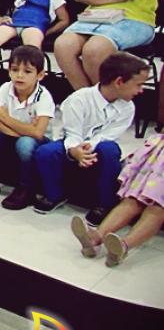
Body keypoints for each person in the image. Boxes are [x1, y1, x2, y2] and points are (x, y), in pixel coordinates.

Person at [34, 52, 148, 226]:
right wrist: (75, 151)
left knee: (110, 149)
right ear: (119, 82)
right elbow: (72, 132)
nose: (141, 90)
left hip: (97, 148)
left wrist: (87, 149)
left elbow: (108, 135)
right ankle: (55, 195)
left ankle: (105, 204)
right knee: (46, 152)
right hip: (71, 143)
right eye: (138, 85)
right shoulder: (79, 99)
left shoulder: (128, 107)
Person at [0, 45, 55, 209]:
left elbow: (38, 133)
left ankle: (27, 188)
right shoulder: (6, 87)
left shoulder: (44, 96)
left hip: (36, 142)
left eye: (27, 71)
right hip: (13, 135)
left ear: (40, 75)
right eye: (15, 69)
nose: (19, 75)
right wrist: (19, 131)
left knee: (25, 143)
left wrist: (5, 118)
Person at [71, 132, 164, 267]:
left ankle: (123, 246)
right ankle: (95, 239)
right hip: (159, 153)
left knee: (157, 207)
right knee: (132, 198)